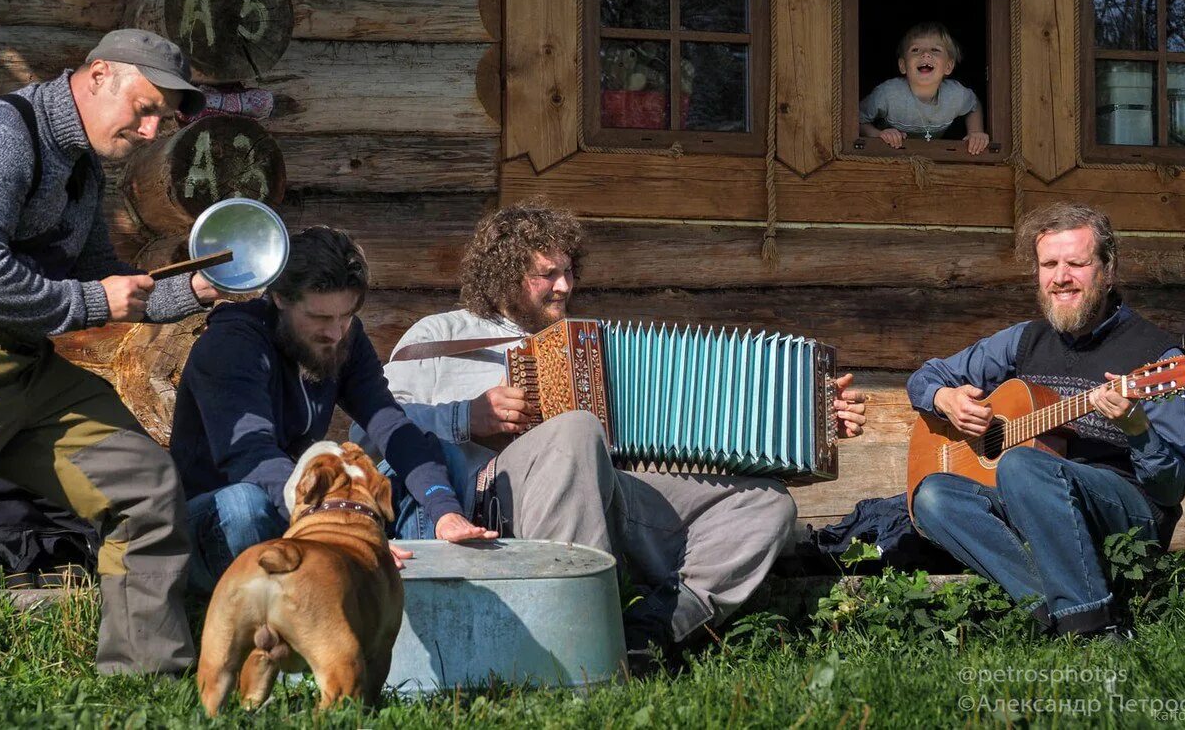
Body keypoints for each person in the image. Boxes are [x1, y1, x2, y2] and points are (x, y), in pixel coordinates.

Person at [360, 202, 867, 667]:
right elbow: (373, 431)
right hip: (487, 502)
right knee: (577, 428)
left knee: (767, 507)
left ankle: (649, 630)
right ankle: (587, 649)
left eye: (569, 271)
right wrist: (464, 418)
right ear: (503, 275)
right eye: (547, 274)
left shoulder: (591, 350)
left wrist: (813, 420)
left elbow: (703, 425)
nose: (564, 286)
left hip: (605, 493)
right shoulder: (440, 337)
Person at [0, 28, 218, 674]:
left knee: (145, 488)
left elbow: (108, 281)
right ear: (99, 75)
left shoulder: (82, 170)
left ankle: (145, 682)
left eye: (165, 117)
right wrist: (94, 302)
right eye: (147, 106)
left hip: (26, 369)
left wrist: (203, 288)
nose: (154, 130)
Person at [907, 202, 1185, 638]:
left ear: (1108, 269)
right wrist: (945, 399)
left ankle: (1096, 627)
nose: (1060, 277)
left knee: (1022, 465)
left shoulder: (1157, 358)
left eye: (1076, 263)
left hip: (1127, 509)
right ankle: (1052, 614)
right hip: (1037, 498)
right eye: (1049, 264)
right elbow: (925, 377)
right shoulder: (1023, 340)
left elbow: (1171, 489)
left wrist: (1137, 429)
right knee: (932, 496)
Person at [169, 226, 488, 594]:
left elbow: (391, 426)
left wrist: (444, 509)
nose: (336, 333)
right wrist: (335, 523)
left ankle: (406, 602)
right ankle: (273, 617)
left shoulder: (345, 340)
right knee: (247, 503)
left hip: (296, 509)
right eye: (320, 318)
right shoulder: (232, 343)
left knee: (426, 462)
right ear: (279, 298)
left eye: (346, 316)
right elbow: (250, 457)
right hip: (214, 523)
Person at [859, 21, 989, 154]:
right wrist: (877, 134)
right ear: (903, 66)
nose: (926, 54)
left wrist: (976, 132)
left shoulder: (955, 94)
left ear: (948, 66)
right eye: (915, 50)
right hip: (890, 154)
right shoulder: (888, 94)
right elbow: (857, 119)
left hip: (933, 156)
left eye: (935, 50)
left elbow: (973, 105)